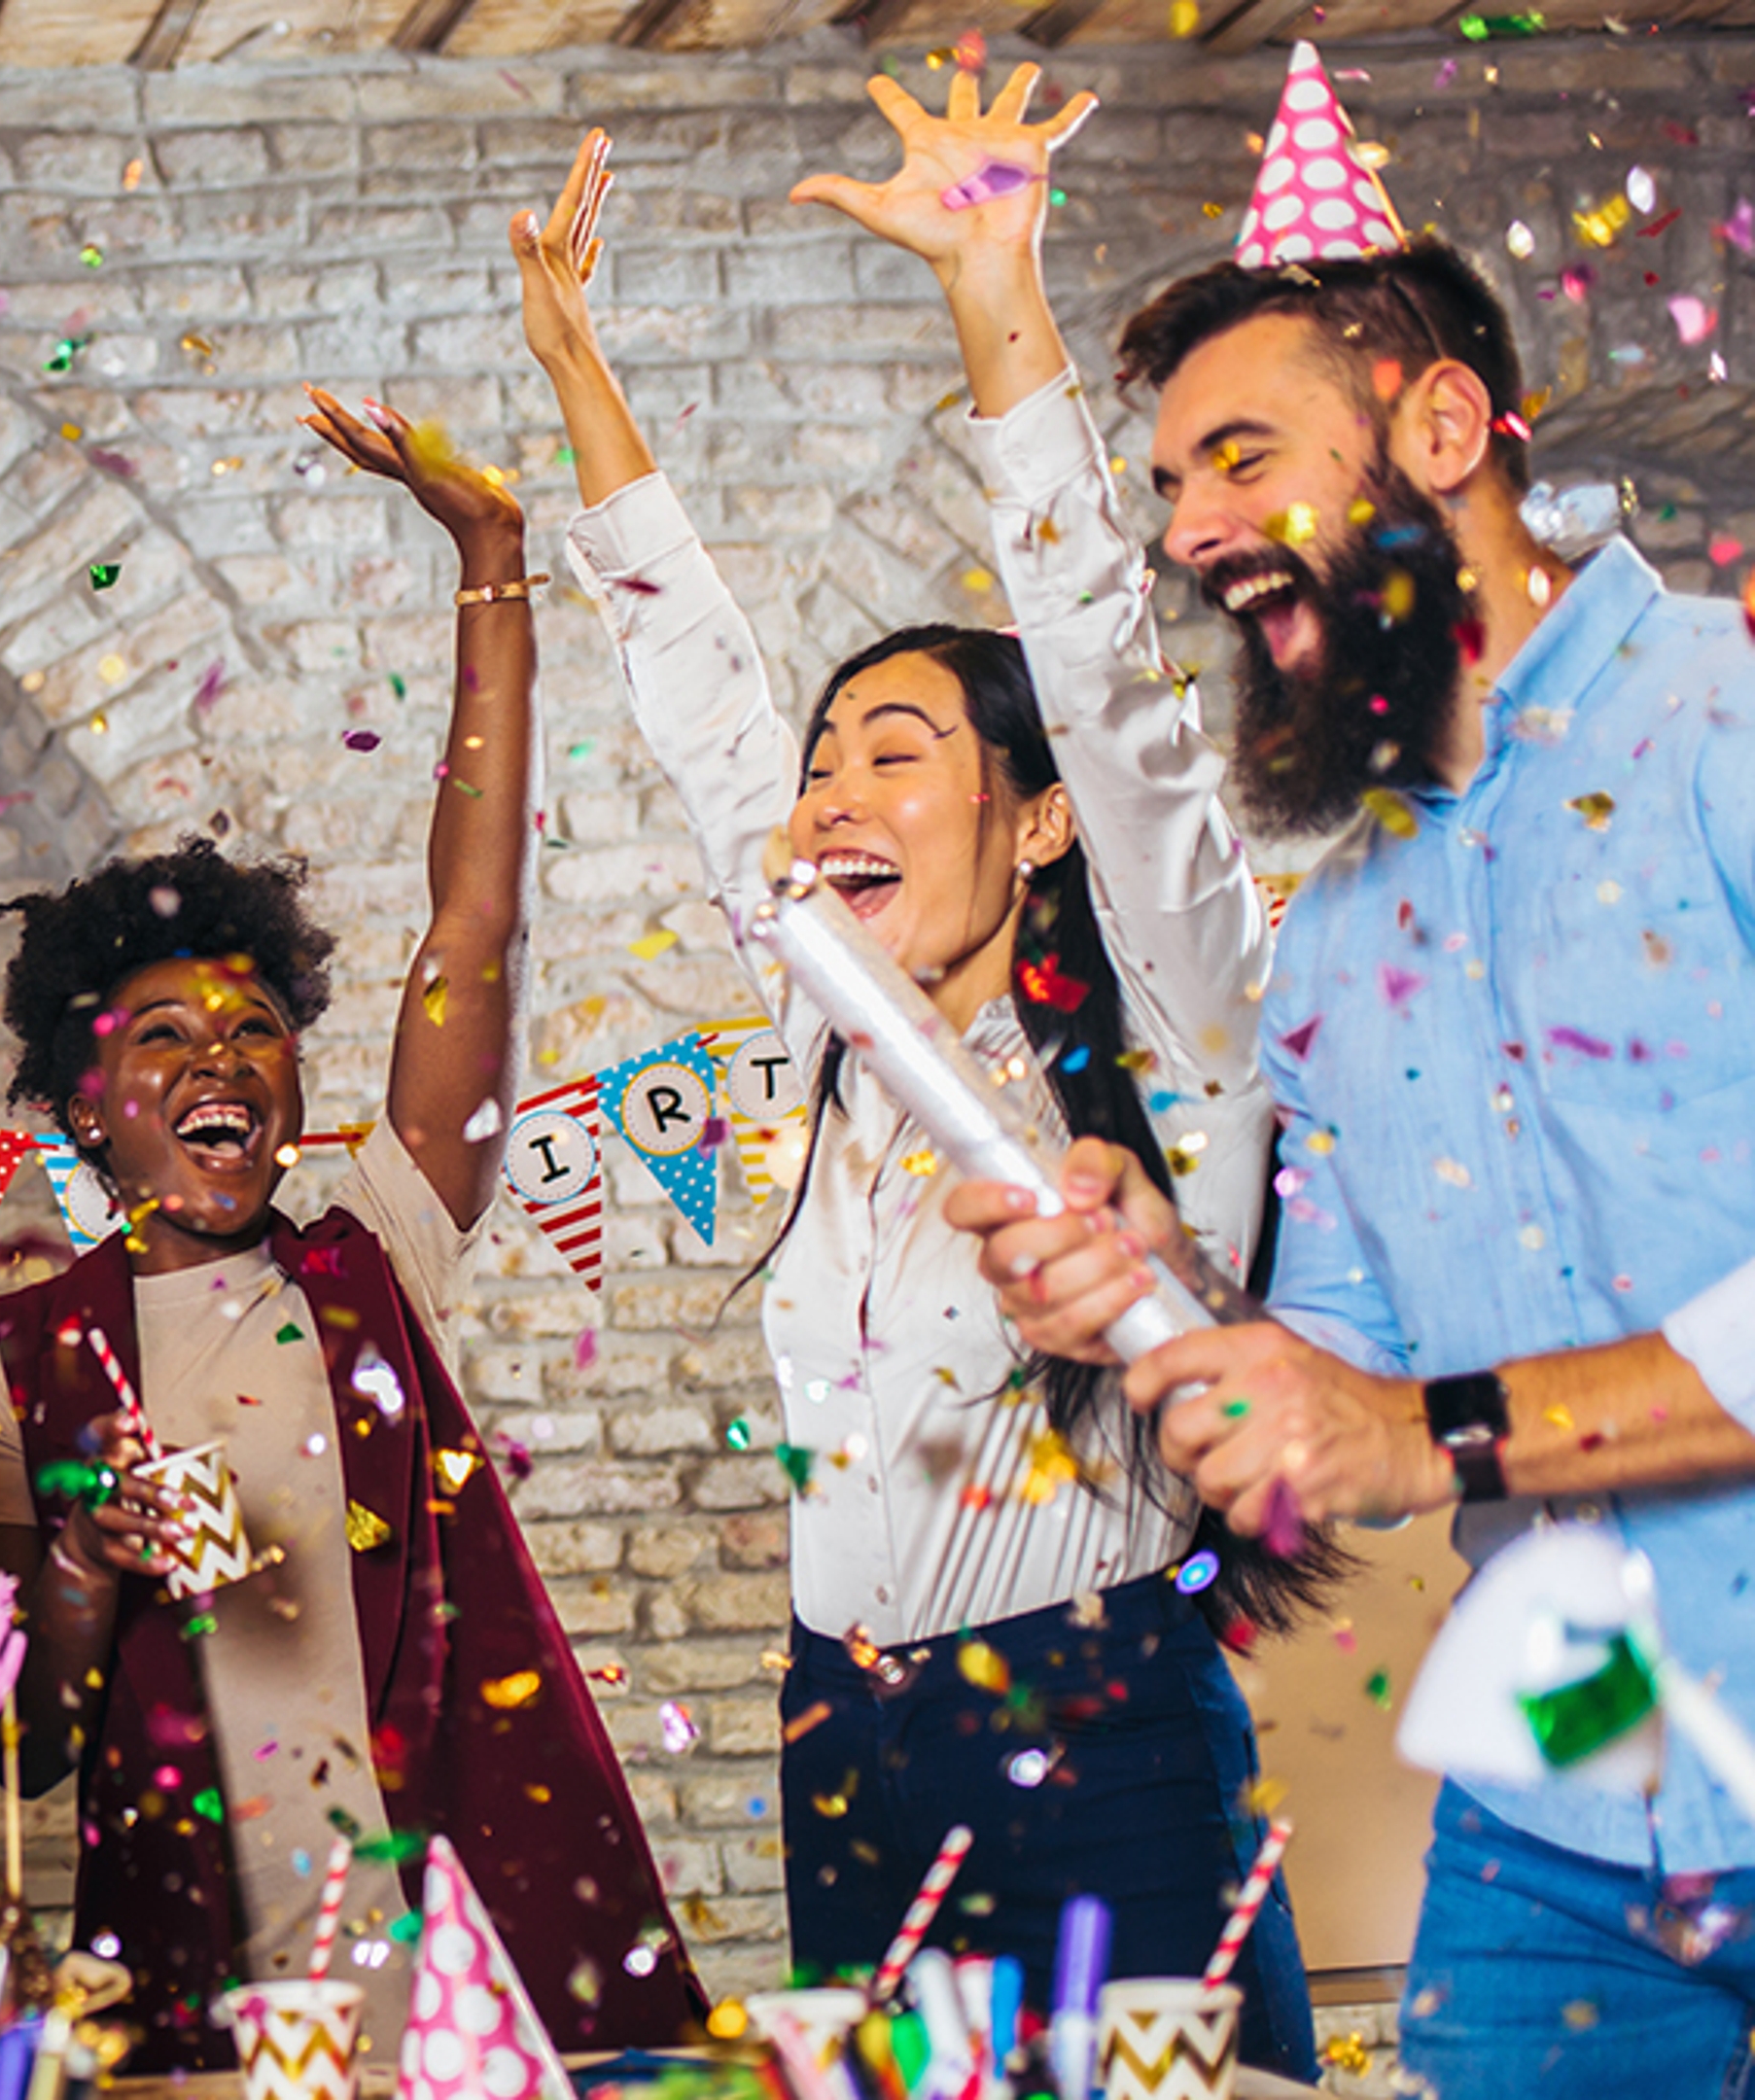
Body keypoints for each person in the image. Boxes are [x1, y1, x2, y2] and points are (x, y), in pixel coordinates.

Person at [943, 113, 1755, 2100]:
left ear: (1448, 431)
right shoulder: (1344, 926)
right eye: (1168, 486)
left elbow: (1400, 1417)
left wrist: (1408, 1430)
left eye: (1244, 457)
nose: (1195, 527)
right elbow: (1346, 1362)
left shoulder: (1726, 731)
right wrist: (1159, 1305)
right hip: (1579, 1781)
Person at [527, 86, 1316, 2065]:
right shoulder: (831, 1008)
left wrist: (995, 288)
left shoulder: (1176, 1027)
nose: (827, 793)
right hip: (847, 1735)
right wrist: (570, 367)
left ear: (1035, 822)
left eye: (892, 749)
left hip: (1100, 1736)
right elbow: (694, 686)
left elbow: (1107, 683)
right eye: (824, 764)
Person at [0, 369, 700, 2069]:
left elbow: (472, 926)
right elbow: (26, 1744)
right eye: (163, 1039)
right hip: (199, 1993)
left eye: (254, 1028)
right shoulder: (0, 1364)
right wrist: (81, 1560)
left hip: (482, 1969)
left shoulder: (378, 1250)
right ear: (79, 1108)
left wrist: (489, 556)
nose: (223, 1059)